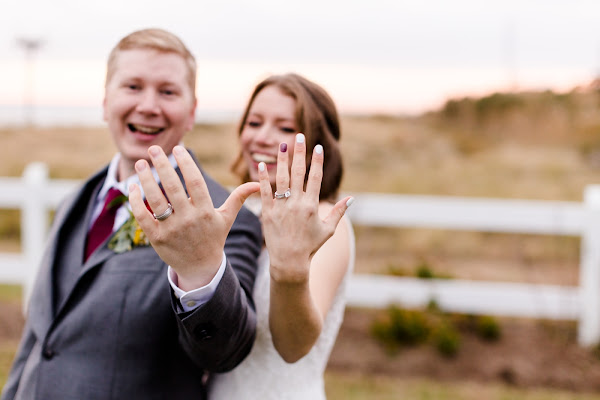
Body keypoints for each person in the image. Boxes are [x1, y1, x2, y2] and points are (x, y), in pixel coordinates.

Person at [1, 28, 262, 400]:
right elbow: (40, 339)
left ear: (191, 112)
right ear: (106, 102)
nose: (149, 106)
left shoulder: (222, 217)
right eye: (133, 87)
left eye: (168, 92)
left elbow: (225, 351)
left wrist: (199, 268)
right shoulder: (76, 200)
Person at [208, 73, 356, 399]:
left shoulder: (324, 222)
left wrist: (289, 271)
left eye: (285, 128)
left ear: (317, 142)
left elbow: (293, 346)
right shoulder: (235, 209)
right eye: (254, 122)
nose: (261, 137)